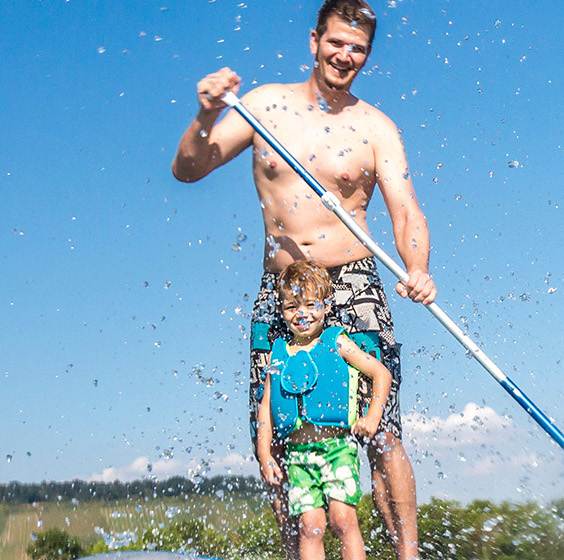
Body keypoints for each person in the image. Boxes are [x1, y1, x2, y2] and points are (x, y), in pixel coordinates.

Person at [171, 1, 431, 558]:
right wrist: (203, 116)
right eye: (336, 43)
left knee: (378, 428)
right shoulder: (264, 105)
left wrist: (417, 269)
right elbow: (189, 169)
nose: (346, 55)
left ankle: (408, 555)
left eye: (358, 48)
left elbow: (406, 210)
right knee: (282, 433)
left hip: (354, 281)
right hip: (283, 290)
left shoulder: (375, 127)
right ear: (314, 40)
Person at [257, 262, 394, 560]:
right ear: (282, 310)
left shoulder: (336, 341)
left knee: (343, 520)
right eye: (292, 306)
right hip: (298, 456)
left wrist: (372, 418)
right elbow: (265, 409)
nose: (302, 313)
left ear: (326, 305)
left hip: (337, 448)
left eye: (310, 304)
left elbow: (381, 374)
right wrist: (265, 455)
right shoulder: (278, 353)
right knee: (310, 527)